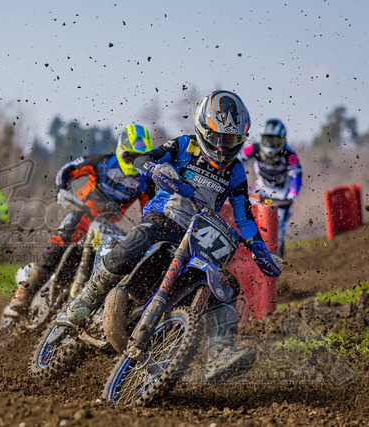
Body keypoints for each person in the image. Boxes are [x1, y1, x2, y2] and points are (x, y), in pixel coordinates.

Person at [66, 91, 282, 383]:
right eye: (217, 138)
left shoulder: (235, 172)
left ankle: (220, 353)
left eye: (230, 141)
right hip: (165, 218)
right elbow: (144, 158)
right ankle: (88, 297)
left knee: (226, 285)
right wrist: (154, 169)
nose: (222, 148)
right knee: (139, 239)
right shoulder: (184, 146)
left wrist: (260, 249)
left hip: (200, 235)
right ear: (204, 130)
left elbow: (243, 216)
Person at [6, 124, 157, 316]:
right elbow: (67, 169)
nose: (133, 162)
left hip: (108, 225)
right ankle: (24, 293)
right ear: (121, 150)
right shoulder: (102, 162)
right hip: (83, 214)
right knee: (58, 243)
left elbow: (150, 209)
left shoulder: (144, 180)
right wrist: (61, 189)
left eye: (138, 158)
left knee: (115, 258)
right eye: (130, 156)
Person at [238, 118, 302, 254]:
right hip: (261, 187)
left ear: (282, 139)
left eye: (274, 140)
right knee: (245, 215)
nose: (270, 144)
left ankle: (276, 255)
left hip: (281, 193)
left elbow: (296, 174)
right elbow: (238, 160)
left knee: (277, 228)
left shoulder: (289, 154)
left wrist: (292, 195)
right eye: (267, 139)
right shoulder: (253, 148)